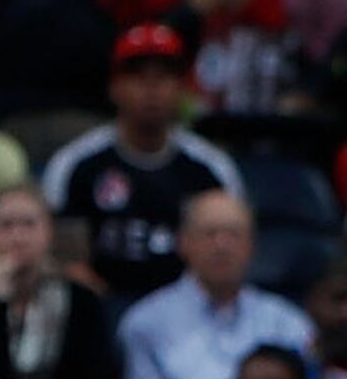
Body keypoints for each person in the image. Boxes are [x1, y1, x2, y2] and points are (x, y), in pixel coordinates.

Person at [44, 24, 245, 301]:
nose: (151, 89)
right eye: (138, 77)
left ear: (180, 88)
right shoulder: (77, 164)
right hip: (102, 308)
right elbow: (69, 262)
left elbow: (227, 254)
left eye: (163, 77)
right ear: (114, 87)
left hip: (187, 311)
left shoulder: (210, 169)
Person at [115, 193, 314, 379]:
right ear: (183, 243)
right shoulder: (145, 323)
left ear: (251, 246)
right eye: (210, 234)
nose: (222, 245)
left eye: (233, 234)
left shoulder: (289, 324)